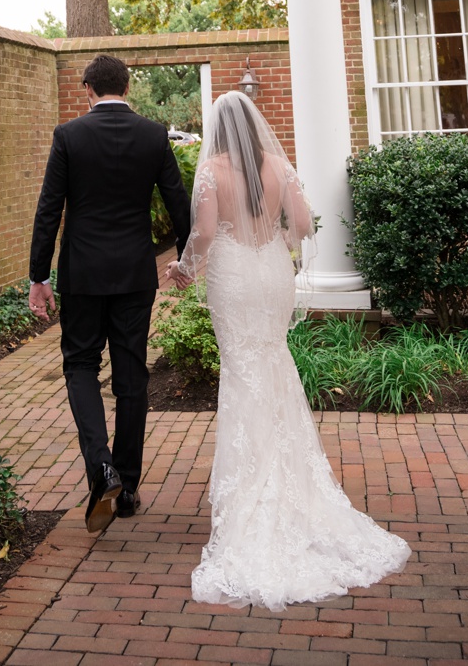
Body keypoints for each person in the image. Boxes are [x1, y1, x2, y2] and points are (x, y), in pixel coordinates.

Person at [162, 91, 409, 609]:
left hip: (231, 274)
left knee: (242, 370)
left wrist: (185, 268)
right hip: (272, 271)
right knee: (273, 360)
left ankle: (255, 484)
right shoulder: (279, 164)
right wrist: (270, 237)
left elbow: (205, 232)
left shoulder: (210, 170)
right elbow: (303, 226)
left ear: (217, 129)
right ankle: (291, 475)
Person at [28, 53, 190, 533]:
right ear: (127, 86)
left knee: (80, 364)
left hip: (82, 273)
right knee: (131, 374)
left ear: (87, 89)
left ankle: (102, 467)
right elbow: (178, 201)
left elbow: (48, 210)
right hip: (135, 273)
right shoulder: (153, 135)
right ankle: (130, 486)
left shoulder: (69, 136)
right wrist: (186, 258)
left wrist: (39, 276)